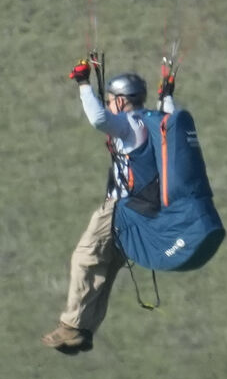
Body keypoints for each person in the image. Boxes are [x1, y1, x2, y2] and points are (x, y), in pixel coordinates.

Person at [47, 52, 175, 355]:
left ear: (121, 101)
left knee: (84, 259)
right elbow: (170, 115)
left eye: (110, 100)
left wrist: (83, 84)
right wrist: (167, 95)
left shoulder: (129, 124)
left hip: (120, 208)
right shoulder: (156, 121)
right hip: (144, 214)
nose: (108, 104)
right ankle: (84, 332)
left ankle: (71, 327)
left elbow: (99, 120)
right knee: (104, 269)